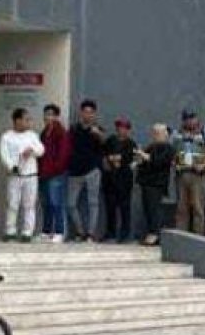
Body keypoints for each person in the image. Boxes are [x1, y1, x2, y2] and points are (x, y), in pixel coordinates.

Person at [0, 108, 45, 242]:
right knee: (12, 203)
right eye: (26, 119)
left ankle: (27, 232)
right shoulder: (7, 136)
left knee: (29, 204)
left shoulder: (32, 135)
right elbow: (4, 154)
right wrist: (11, 166)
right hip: (15, 174)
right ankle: (10, 231)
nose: (28, 122)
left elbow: (41, 150)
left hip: (31, 175)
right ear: (17, 120)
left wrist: (32, 150)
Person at [67, 99, 107, 242]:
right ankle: (80, 231)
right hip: (75, 171)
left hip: (92, 171)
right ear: (81, 113)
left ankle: (90, 233)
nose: (88, 115)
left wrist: (98, 134)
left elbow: (105, 145)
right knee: (71, 204)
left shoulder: (98, 129)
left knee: (93, 203)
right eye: (85, 112)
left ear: (94, 114)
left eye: (91, 112)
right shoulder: (73, 129)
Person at [173, 110, 205, 234]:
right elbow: (172, 151)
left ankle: (198, 236)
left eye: (192, 118)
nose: (190, 121)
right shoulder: (177, 134)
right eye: (187, 119)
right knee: (181, 207)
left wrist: (204, 165)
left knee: (198, 207)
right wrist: (174, 164)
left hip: (197, 174)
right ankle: (181, 234)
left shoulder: (204, 133)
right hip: (182, 173)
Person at [135, 123, 176, 246]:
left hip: (157, 183)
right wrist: (139, 159)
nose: (155, 136)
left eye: (158, 133)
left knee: (154, 209)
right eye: (154, 133)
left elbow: (158, 161)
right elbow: (144, 161)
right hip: (146, 182)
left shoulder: (168, 148)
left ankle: (155, 233)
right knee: (147, 208)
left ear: (165, 134)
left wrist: (145, 156)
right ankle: (151, 232)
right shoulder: (151, 146)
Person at [38, 104, 71, 243]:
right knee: (46, 203)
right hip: (44, 173)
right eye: (46, 114)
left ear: (57, 117)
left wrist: (56, 168)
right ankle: (46, 231)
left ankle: (59, 231)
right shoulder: (44, 133)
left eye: (51, 115)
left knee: (56, 202)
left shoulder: (61, 132)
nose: (48, 117)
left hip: (56, 173)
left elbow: (64, 153)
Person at [102, 118, 138, 243]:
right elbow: (104, 155)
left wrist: (119, 160)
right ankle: (110, 233)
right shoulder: (110, 141)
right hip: (110, 179)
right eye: (119, 127)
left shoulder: (131, 144)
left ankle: (125, 234)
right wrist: (109, 160)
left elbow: (132, 160)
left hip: (124, 180)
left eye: (124, 128)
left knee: (124, 208)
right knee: (110, 207)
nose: (121, 130)